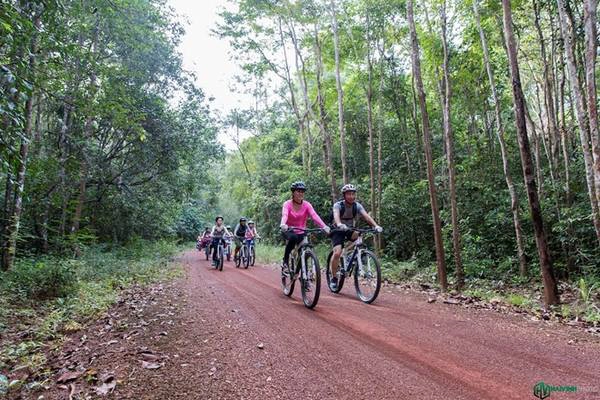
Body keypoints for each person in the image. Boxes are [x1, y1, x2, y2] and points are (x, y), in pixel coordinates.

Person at [329, 184, 382, 290]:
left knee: (359, 234)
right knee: (337, 253)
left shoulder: (357, 206)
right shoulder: (338, 205)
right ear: (344, 195)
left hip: (349, 229)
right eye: (349, 194)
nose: (351, 196)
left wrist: (376, 226)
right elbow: (336, 215)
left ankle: (355, 255)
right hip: (337, 230)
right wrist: (339, 224)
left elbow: (366, 216)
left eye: (353, 194)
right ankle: (334, 278)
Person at [280, 181, 330, 276]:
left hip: (302, 231)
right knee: (293, 238)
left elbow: (315, 216)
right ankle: (285, 262)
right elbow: (285, 215)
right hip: (288, 230)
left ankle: (304, 277)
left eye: (302, 191)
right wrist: (283, 224)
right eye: (298, 191)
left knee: (303, 252)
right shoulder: (287, 204)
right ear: (293, 193)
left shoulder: (307, 205)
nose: (301, 193)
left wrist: (324, 226)